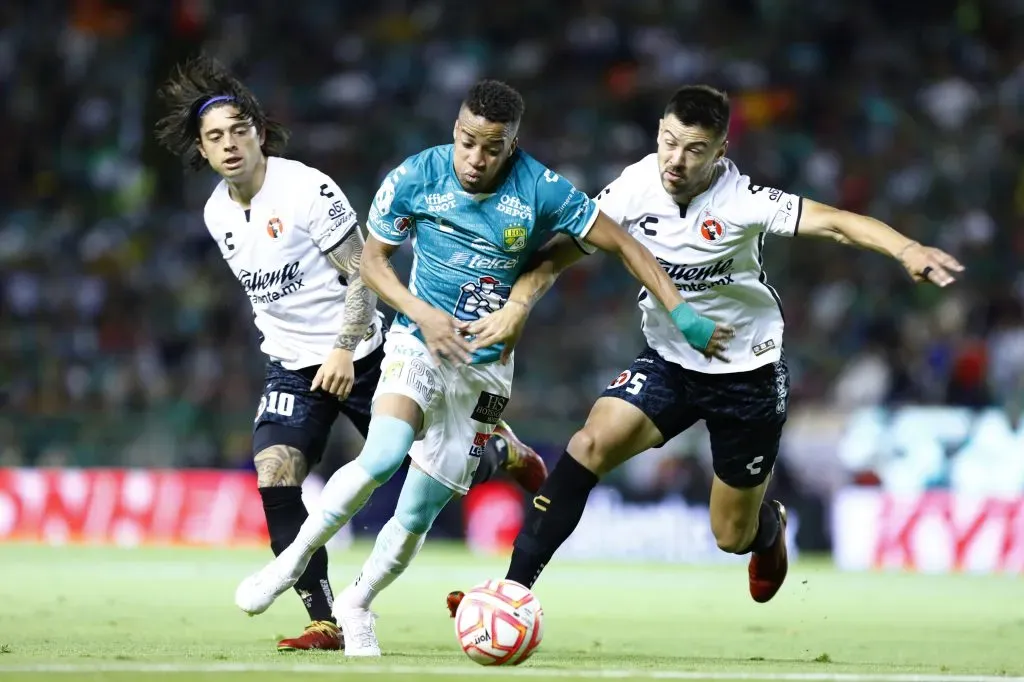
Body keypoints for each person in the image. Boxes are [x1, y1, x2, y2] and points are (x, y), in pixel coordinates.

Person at [232, 79, 734, 657]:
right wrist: (422, 313)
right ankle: (288, 565)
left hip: (485, 371)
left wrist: (682, 312)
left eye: (492, 148)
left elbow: (622, 243)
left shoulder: (541, 188)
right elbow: (372, 263)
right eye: (468, 142)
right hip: (417, 343)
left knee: (418, 511)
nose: (476, 158)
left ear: (512, 144)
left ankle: (358, 602)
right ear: (455, 130)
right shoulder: (417, 175)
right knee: (384, 452)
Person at [448, 84, 964, 614]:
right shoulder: (633, 186)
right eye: (669, 142)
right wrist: (519, 304)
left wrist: (905, 248)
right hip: (669, 362)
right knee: (589, 445)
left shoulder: (742, 201)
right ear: (658, 135)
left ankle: (768, 528)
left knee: (730, 535)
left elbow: (835, 223)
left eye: (695, 149)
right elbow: (560, 253)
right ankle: (512, 591)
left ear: (720, 153)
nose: (676, 159)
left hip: (747, 374)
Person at [153, 56, 548, 652]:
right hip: (291, 363)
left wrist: (342, 348)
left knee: (427, 461)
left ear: (258, 131)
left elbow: (364, 271)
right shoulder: (216, 213)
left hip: (362, 354)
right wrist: (304, 355)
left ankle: (493, 446)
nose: (229, 145)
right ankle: (325, 619)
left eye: (239, 130)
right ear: (202, 151)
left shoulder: (306, 189)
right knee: (276, 470)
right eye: (215, 138)